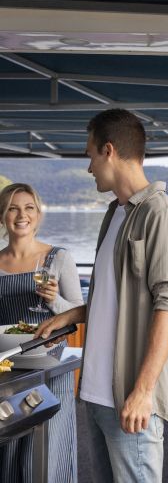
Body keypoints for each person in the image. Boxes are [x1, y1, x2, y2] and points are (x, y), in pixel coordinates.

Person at [35, 108, 168, 483]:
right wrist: (72, 315)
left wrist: (143, 390)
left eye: (89, 156)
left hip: (129, 397)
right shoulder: (115, 213)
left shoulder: (161, 214)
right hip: (97, 393)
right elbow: (116, 297)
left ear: (108, 150)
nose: (89, 168)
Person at [0, 182, 84, 483]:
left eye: (28, 207)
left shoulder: (59, 257)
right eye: (12, 208)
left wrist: (53, 300)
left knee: (48, 452)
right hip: (8, 369)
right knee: (8, 449)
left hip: (49, 364)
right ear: (2, 216)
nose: (21, 215)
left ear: (38, 214)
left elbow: (77, 311)